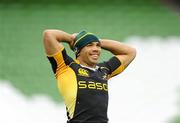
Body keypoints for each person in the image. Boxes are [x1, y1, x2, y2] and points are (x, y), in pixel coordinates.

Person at [43, 29, 136, 123]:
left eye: (97, 46)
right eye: (89, 45)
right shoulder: (66, 66)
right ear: (78, 50)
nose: (96, 49)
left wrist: (98, 41)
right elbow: (49, 34)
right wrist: (72, 39)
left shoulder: (104, 70)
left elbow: (130, 52)